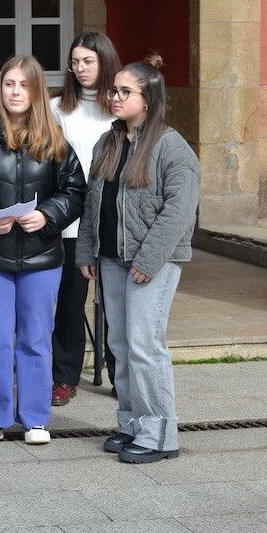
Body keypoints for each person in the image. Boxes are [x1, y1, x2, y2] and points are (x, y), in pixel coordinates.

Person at [77, 55, 200, 464]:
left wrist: (149, 260)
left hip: (152, 262)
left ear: (147, 99)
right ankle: (131, 423)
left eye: (125, 91)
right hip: (112, 258)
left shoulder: (170, 146)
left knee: (146, 345)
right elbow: (94, 201)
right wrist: (86, 250)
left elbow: (180, 210)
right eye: (114, 89)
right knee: (120, 344)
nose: (115, 96)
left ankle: (160, 434)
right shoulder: (109, 141)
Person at [0, 54, 85, 447]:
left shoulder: (55, 142)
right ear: (0, 90)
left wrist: (48, 214)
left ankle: (35, 417)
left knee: (36, 336)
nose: (16, 92)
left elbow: (75, 192)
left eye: (24, 86)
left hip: (42, 256)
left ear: (36, 92)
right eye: (9, 84)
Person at [49, 32, 121, 406]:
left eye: (88, 61)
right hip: (73, 222)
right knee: (70, 302)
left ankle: (119, 374)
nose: (80, 68)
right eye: (75, 62)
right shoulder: (58, 106)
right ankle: (64, 376)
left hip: (113, 219)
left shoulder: (121, 104)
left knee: (116, 304)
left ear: (104, 61)